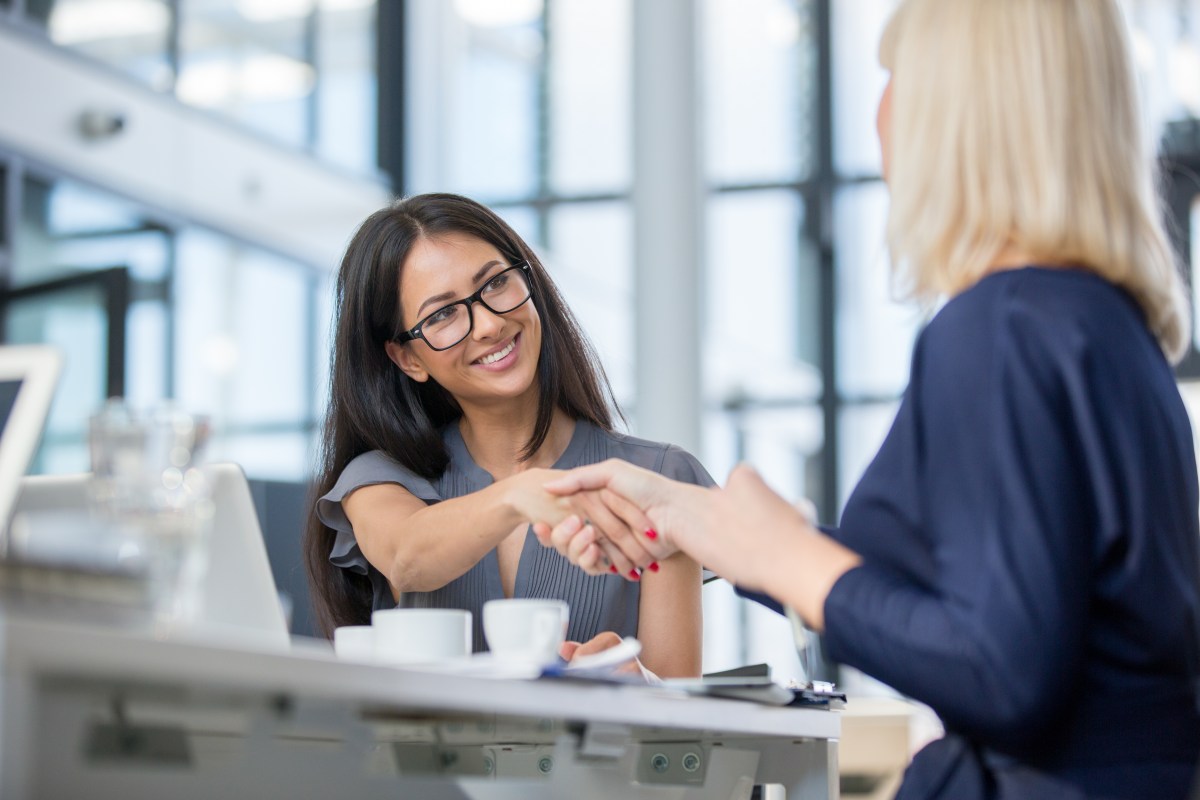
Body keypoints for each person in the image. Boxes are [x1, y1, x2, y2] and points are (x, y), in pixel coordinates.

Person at [535, 0, 1200, 796]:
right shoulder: (1098, 323)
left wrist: (787, 556)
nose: (880, 112)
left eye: (894, 77)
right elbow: (1006, 605)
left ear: (957, 108)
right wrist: (693, 520)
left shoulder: (1000, 327)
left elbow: (1002, 672)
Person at [302, 192, 710, 679]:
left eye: (495, 284)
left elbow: (681, 719)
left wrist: (637, 682)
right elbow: (407, 556)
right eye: (441, 315)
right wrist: (520, 493)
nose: (490, 325)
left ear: (529, 280)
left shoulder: (659, 479)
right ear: (408, 359)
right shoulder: (380, 479)